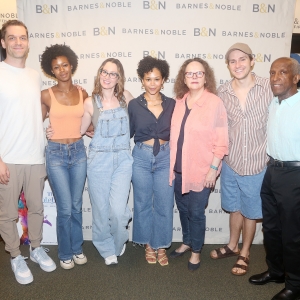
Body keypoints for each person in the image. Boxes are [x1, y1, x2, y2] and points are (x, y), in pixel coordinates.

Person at [0, 20, 56, 285]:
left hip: (36, 157)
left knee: (36, 208)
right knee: (7, 214)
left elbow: (33, 113)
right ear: (3, 42)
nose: (18, 42)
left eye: (22, 38)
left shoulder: (35, 75)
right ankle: (14, 255)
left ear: (28, 42)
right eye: (12, 38)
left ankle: (35, 249)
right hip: (8, 158)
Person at [210, 43, 273, 276]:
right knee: (234, 207)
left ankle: (245, 252)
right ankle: (232, 245)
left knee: (250, 211)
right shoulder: (222, 92)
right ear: (227, 65)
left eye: (242, 59)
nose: (238, 64)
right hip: (231, 163)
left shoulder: (268, 87)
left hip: (257, 164)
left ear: (252, 61)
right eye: (233, 61)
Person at [169, 58, 228, 271]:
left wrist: (213, 169)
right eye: (189, 73)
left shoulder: (215, 103)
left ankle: (196, 251)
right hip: (178, 170)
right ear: (183, 78)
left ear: (206, 77)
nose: (194, 77)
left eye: (199, 73)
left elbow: (221, 142)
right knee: (183, 209)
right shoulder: (178, 101)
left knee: (195, 213)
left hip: (202, 171)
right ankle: (186, 241)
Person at [249, 58, 300, 300]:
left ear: (296, 78)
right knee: (271, 228)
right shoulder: (273, 103)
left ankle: (296, 283)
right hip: (272, 171)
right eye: (272, 73)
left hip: (295, 174)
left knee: (292, 233)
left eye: (282, 72)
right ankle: (277, 271)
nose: (275, 77)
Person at [40, 44, 89, 270]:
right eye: (56, 67)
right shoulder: (46, 95)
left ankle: (77, 248)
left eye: (65, 65)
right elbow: (33, 124)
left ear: (72, 65)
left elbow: (89, 125)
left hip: (79, 152)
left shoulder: (83, 93)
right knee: (66, 208)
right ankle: (65, 252)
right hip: (56, 154)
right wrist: (44, 131)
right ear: (51, 71)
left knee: (77, 206)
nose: (62, 70)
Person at [82, 58, 134, 266]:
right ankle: (105, 245)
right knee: (101, 210)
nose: (107, 77)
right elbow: (79, 130)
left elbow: (143, 119)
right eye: (105, 71)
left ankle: (119, 240)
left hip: (123, 159)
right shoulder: (89, 101)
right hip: (98, 161)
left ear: (119, 78)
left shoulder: (127, 98)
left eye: (113, 74)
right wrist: (53, 131)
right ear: (99, 73)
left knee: (118, 210)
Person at [128, 56, 175, 266]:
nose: (153, 83)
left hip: (166, 156)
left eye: (157, 79)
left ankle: (162, 244)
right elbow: (126, 133)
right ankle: (148, 244)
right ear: (142, 79)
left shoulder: (173, 104)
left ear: (163, 80)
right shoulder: (134, 105)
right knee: (142, 202)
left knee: (164, 203)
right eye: (148, 79)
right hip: (141, 157)